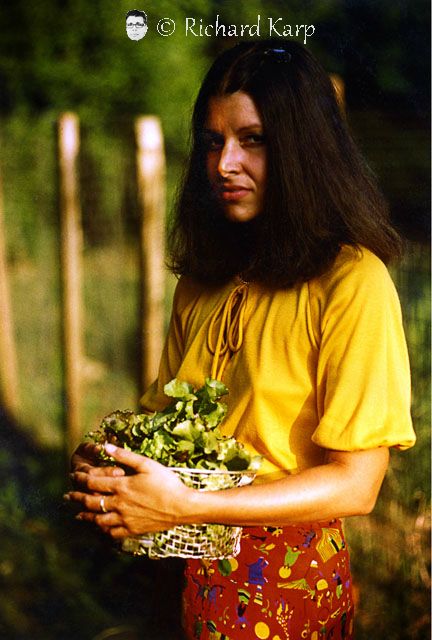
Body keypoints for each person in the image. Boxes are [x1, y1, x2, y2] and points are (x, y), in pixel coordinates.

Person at [66, 39, 416, 639]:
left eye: (253, 140)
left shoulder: (352, 281)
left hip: (285, 587)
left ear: (302, 150)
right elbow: (166, 427)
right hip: (175, 571)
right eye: (212, 141)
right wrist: (109, 468)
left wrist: (190, 506)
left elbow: (358, 485)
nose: (225, 163)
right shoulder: (203, 280)